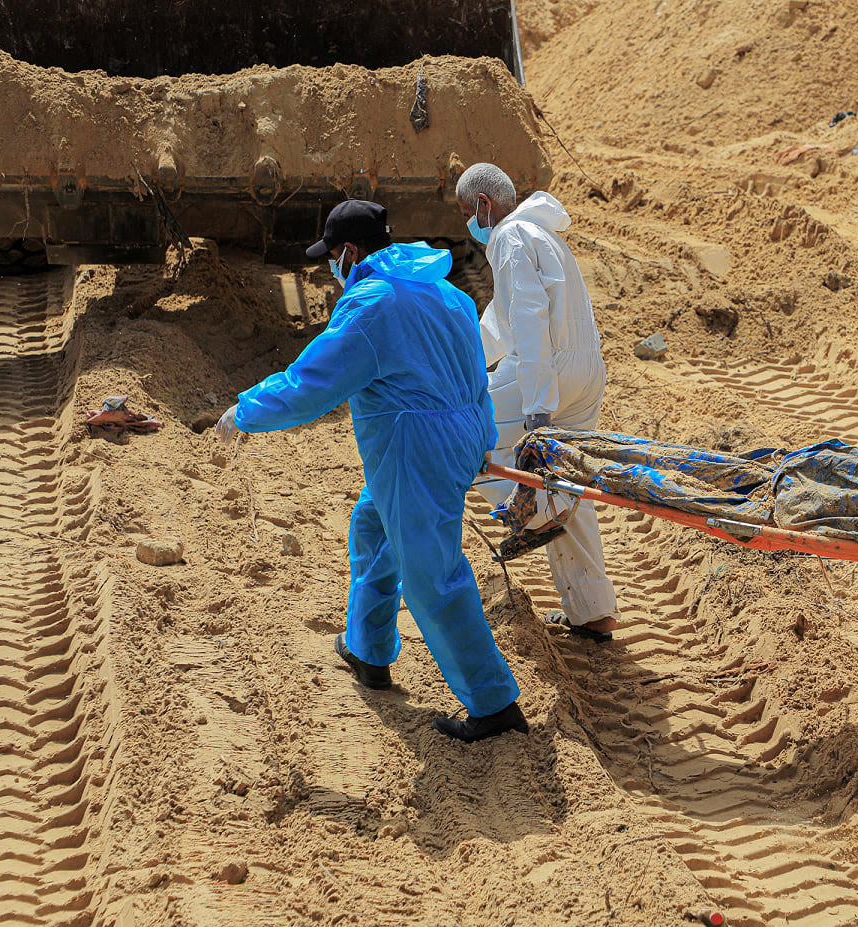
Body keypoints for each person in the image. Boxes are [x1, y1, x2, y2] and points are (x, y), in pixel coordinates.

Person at [216, 199, 528, 743]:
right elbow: (476, 372)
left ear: (351, 253)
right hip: (459, 434)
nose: (331, 269)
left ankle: (493, 703)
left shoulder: (372, 305)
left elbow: (311, 384)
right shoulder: (448, 293)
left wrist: (245, 411)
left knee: (433, 577)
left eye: (332, 257)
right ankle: (367, 649)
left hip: (415, 450)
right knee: (372, 526)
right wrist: (480, 437)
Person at [455, 162, 619, 643]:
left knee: (464, 433)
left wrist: (538, 406)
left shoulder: (508, 237)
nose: (469, 223)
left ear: (485, 205)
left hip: (550, 372)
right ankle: (593, 611)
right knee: (567, 484)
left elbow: (529, 320)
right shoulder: (542, 234)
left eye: (468, 213)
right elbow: (500, 323)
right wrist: (463, 359)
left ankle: (533, 510)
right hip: (586, 372)